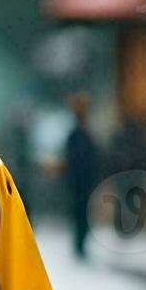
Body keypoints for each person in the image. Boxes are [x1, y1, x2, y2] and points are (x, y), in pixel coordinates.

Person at [64, 93, 100, 261]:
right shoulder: (78, 135)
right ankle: (79, 245)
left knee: (82, 214)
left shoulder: (80, 135)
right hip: (79, 182)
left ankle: (80, 245)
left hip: (82, 182)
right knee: (80, 214)